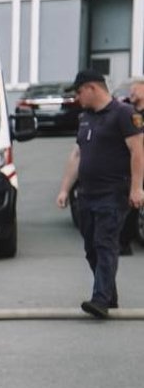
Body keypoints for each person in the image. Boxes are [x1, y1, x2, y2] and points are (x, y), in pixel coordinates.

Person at [54, 70, 144, 317]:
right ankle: (109, 297)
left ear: (92, 88)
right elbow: (77, 155)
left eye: (79, 91)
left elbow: (138, 151)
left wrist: (137, 187)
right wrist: (64, 189)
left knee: (105, 243)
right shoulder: (85, 118)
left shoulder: (124, 114)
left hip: (113, 193)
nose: (77, 97)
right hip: (87, 194)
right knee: (91, 248)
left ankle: (100, 299)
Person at [121, 78, 144, 255]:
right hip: (129, 165)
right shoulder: (128, 112)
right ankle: (123, 242)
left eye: (135, 89)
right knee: (130, 206)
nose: (131, 93)